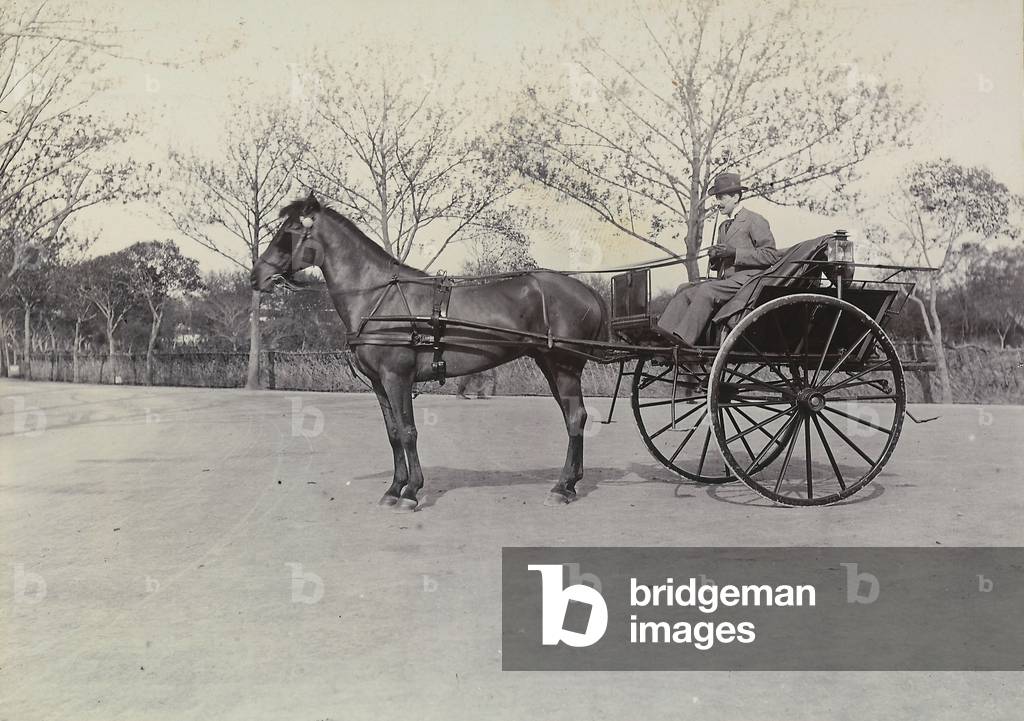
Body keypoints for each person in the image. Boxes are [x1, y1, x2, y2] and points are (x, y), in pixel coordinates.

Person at [656, 172, 779, 347]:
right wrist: (715, 258)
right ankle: (663, 338)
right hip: (727, 282)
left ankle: (684, 344)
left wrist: (734, 252)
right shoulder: (723, 226)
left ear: (735, 197)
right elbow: (722, 263)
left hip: (749, 281)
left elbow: (771, 255)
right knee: (685, 290)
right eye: (716, 198)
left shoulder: (754, 220)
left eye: (721, 197)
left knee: (707, 291)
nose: (717, 203)